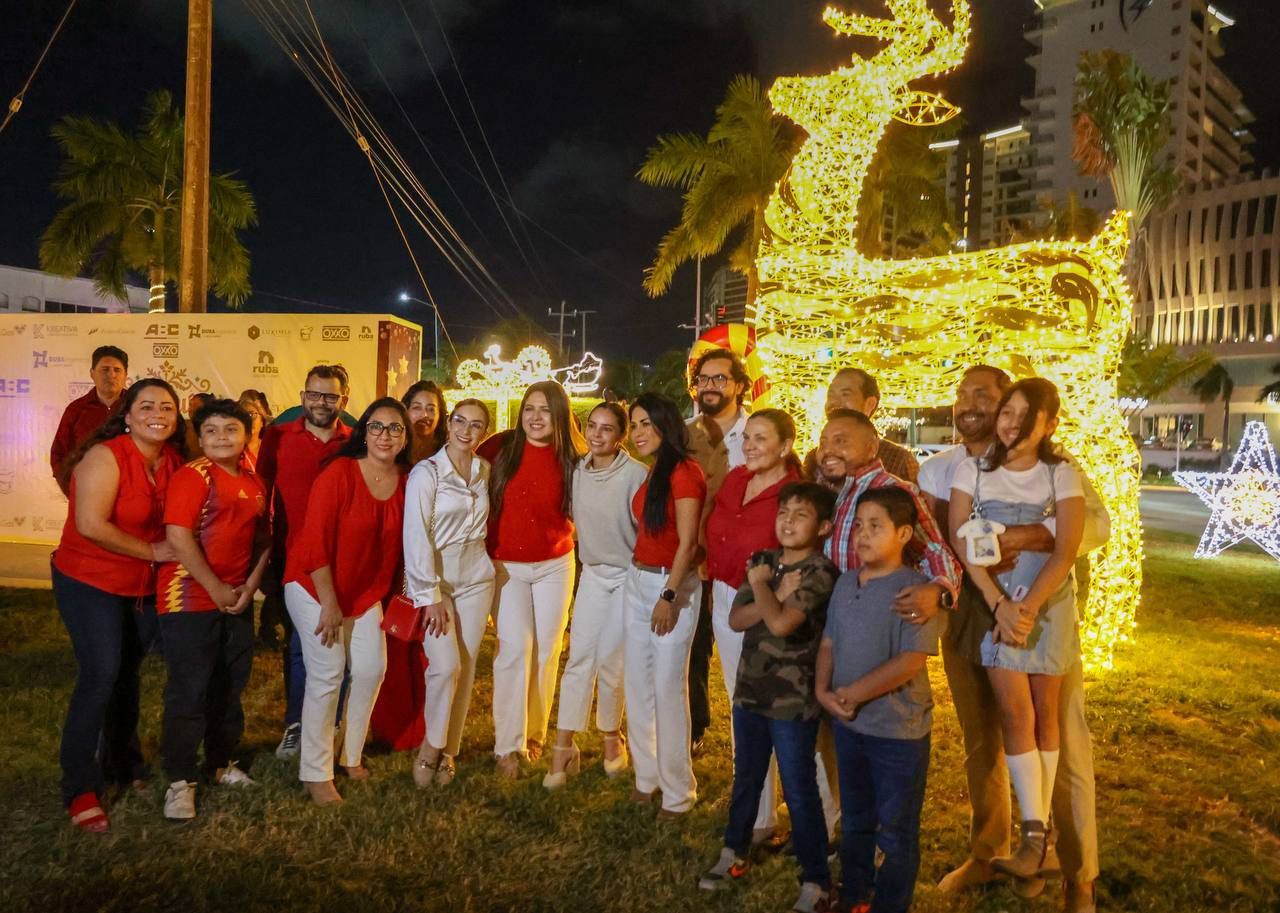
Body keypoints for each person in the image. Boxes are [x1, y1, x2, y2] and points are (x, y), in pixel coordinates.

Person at [920, 367, 1101, 912]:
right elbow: (935, 539)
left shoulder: (1059, 466)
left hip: (1037, 608)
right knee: (983, 739)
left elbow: (1094, 529)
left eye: (984, 394)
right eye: (962, 394)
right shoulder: (943, 468)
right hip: (970, 609)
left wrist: (1023, 535)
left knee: (1060, 738)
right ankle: (992, 850)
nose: (970, 403)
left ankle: (1074, 871)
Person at [50, 378, 187, 833]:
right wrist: (152, 552)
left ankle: (123, 763)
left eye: (166, 407)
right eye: (146, 406)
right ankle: (79, 786)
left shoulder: (173, 462)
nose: (157, 414)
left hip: (140, 587)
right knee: (100, 675)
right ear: (126, 415)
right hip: (88, 580)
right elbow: (90, 524)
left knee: (127, 676)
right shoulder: (105, 457)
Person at [699, 482, 839, 913]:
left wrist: (763, 589)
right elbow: (737, 619)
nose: (789, 521)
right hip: (751, 692)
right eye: (783, 513)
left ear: (823, 526)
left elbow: (781, 625)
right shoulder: (764, 562)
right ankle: (734, 851)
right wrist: (773, 592)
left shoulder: (820, 572)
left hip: (792, 702)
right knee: (746, 777)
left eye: (801, 515)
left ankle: (816, 880)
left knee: (799, 788)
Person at [817, 487, 941, 913]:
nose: (863, 535)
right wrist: (822, 690)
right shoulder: (845, 583)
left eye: (875, 526)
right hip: (849, 726)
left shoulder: (915, 590)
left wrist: (854, 693)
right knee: (855, 819)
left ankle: (890, 902)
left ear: (904, 533)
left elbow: (911, 660)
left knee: (895, 829)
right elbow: (829, 641)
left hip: (897, 732)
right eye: (858, 526)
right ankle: (854, 893)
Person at [284, 397, 410, 805]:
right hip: (313, 586)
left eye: (395, 428)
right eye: (377, 426)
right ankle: (315, 772)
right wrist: (329, 603)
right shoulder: (339, 473)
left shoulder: (407, 482)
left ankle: (350, 755)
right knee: (328, 672)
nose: (385, 435)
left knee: (372, 668)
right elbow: (313, 544)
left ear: (405, 438)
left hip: (363, 592)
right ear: (364, 432)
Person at [156, 398, 271, 820]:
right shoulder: (193, 476)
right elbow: (179, 538)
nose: (221, 437)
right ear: (200, 438)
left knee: (230, 686)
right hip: (189, 599)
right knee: (191, 690)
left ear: (247, 436)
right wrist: (215, 587)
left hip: (235, 600)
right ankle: (180, 780)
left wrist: (248, 588)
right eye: (211, 430)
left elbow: (264, 539)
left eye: (231, 429)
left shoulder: (254, 481)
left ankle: (221, 763)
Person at [477, 381, 586, 777]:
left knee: (547, 650)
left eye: (545, 409)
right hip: (507, 566)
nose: (536, 417)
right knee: (514, 649)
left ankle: (535, 734)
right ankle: (507, 745)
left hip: (555, 563)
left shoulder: (575, 457)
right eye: (529, 409)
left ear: (560, 415)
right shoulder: (500, 448)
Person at [703, 409, 802, 840]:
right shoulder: (736, 480)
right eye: (747, 438)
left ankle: (778, 816)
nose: (750, 446)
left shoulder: (794, 494)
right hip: (727, 593)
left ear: (785, 445)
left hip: (770, 602)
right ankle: (754, 804)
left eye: (761, 438)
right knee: (738, 700)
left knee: (771, 706)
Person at [544, 402, 648, 788]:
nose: (597, 435)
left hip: (628, 576)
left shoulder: (636, 476)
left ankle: (610, 736)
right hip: (592, 574)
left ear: (621, 436)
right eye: (593, 426)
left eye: (607, 429)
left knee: (611, 660)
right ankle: (563, 745)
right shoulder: (577, 472)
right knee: (579, 657)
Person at [257, 365, 352, 759]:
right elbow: (261, 495)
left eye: (330, 396)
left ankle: (334, 725)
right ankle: (297, 724)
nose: (321, 403)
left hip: (343, 561)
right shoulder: (278, 437)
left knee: (342, 648)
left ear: (344, 400)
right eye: (314, 394)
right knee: (299, 644)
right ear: (302, 396)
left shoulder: (355, 442)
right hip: (292, 559)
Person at [623, 393, 706, 819]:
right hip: (637, 580)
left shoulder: (685, 472)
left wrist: (669, 596)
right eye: (634, 424)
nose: (637, 432)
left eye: (646, 424)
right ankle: (646, 778)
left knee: (668, 689)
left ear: (666, 425)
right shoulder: (653, 470)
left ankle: (677, 793)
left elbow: (688, 543)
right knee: (637, 686)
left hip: (670, 587)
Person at [405, 399, 495, 788]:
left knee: (467, 665)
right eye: (460, 421)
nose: (466, 430)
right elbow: (415, 535)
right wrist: (431, 593)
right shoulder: (426, 473)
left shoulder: (483, 469)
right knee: (445, 666)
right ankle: (431, 746)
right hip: (436, 577)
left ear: (485, 432)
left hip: (476, 576)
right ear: (449, 423)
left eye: (476, 425)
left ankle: (450, 750)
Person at [685, 347, 752, 750]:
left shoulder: (756, 433)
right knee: (692, 649)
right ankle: (693, 729)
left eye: (720, 378)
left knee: (742, 657)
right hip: (691, 557)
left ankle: (748, 744)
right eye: (703, 379)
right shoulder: (684, 434)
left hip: (738, 564)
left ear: (739, 385)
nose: (709, 386)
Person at [50, 345, 129, 495]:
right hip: (86, 493)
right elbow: (58, 454)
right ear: (92, 374)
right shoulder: (76, 410)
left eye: (117, 370)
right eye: (105, 369)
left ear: (125, 375)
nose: (111, 375)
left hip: (130, 496)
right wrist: (73, 491)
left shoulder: (137, 408)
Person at [817, 367, 919, 484]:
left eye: (845, 394)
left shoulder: (898, 459)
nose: (834, 402)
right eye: (830, 395)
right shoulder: (817, 460)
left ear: (870, 404)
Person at [402, 379, 448, 464]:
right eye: (417, 408)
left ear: (440, 415)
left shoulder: (447, 454)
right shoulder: (396, 449)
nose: (424, 415)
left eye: (431, 409)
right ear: (406, 411)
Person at [236, 389, 273, 465]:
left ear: (262, 421)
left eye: (252, 415)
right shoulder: (231, 453)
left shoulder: (272, 449)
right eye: (243, 415)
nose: (248, 420)